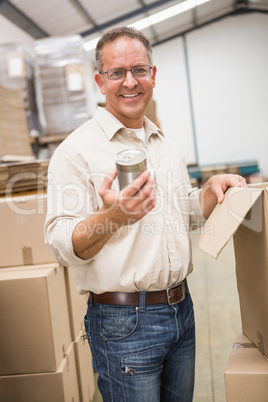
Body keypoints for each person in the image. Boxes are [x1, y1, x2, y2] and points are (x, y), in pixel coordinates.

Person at [45, 26, 246, 402]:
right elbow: (60, 244)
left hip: (181, 311)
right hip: (124, 324)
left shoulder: (164, 144)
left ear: (153, 75)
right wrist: (115, 216)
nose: (129, 82)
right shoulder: (76, 152)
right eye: (116, 73)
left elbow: (184, 211)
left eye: (138, 69)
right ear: (99, 82)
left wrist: (211, 190)